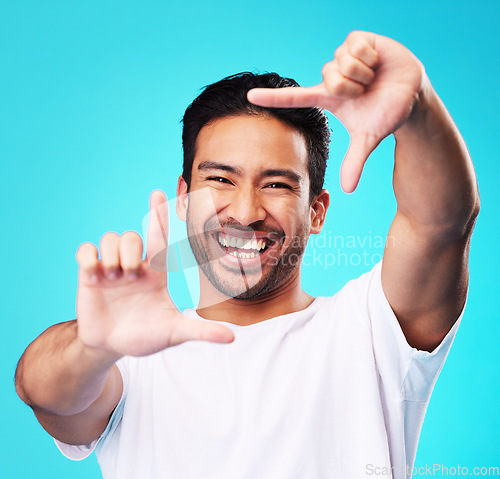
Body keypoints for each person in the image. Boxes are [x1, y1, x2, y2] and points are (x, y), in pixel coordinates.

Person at [15, 31, 479, 479]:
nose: (244, 211)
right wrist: (94, 346)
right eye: (220, 179)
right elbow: (41, 391)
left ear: (316, 211)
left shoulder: (372, 332)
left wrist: (417, 108)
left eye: (276, 184)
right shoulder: (130, 357)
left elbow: (441, 224)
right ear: (184, 198)